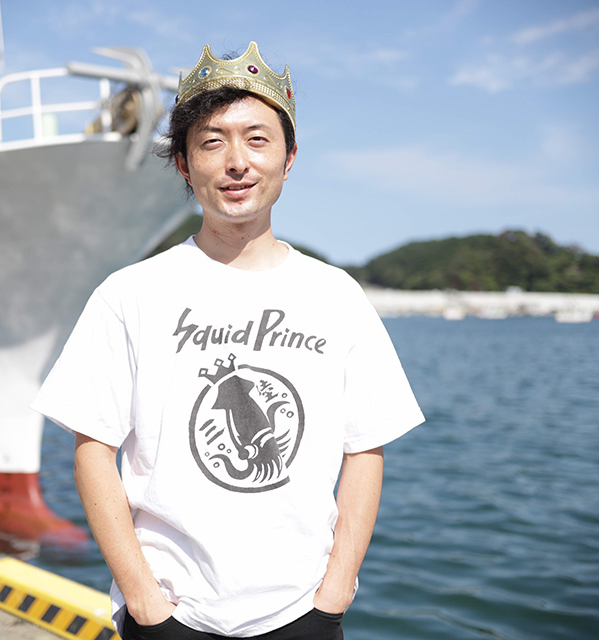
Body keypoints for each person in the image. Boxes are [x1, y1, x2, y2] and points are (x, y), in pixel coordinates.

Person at [31, 42, 424, 639]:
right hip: (169, 610)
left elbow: (365, 448)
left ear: (289, 159)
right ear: (185, 165)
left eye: (257, 139)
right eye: (212, 141)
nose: (236, 161)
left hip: (302, 614)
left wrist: (335, 593)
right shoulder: (130, 292)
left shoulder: (336, 295)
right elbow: (93, 449)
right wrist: (143, 602)